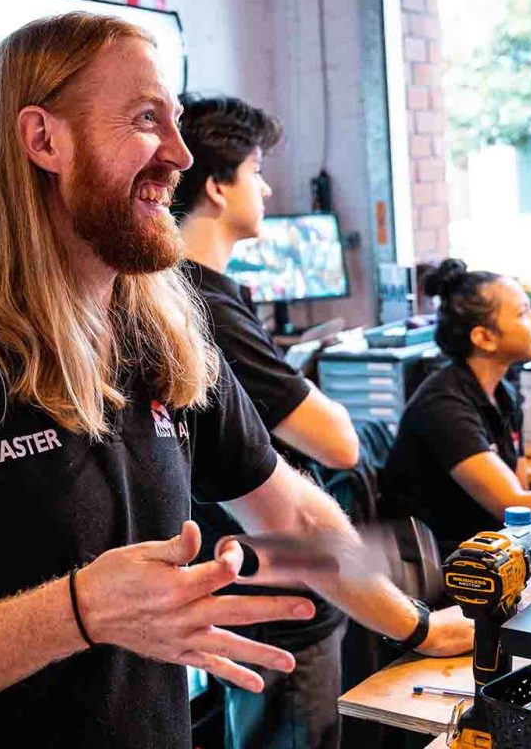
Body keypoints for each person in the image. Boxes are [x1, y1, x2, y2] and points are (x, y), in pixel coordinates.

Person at [0, 14, 472, 749]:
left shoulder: (161, 337)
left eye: (173, 121)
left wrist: (417, 625)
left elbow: (292, 515)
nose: (176, 155)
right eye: (146, 119)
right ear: (44, 140)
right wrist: (78, 612)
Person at [175, 93, 359, 749]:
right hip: (273, 601)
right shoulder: (205, 308)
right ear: (218, 187)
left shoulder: (200, 295)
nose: (268, 185)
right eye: (256, 170)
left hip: (260, 587)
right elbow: (339, 444)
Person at [382, 258, 531, 560]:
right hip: (448, 565)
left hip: (494, 548)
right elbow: (512, 504)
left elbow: (518, 487)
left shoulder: (503, 393)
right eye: (523, 313)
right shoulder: (443, 405)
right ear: (484, 337)